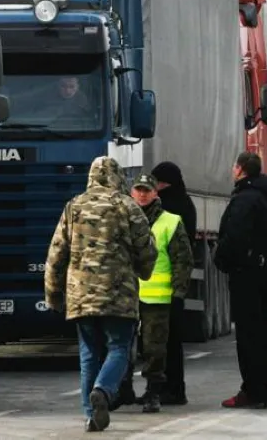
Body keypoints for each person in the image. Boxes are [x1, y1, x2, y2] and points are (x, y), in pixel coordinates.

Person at [44, 156, 157, 432]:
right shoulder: (127, 206)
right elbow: (147, 249)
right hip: (119, 293)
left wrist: (53, 294)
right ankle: (104, 391)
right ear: (119, 177)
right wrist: (143, 271)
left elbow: (56, 254)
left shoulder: (74, 207)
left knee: (88, 353)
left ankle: (91, 415)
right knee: (119, 347)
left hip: (80, 295)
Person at [214, 151, 267, 409]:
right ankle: (264, 388)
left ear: (241, 170)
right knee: (260, 332)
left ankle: (253, 391)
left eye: (234, 166)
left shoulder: (245, 199)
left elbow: (235, 236)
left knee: (247, 335)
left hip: (246, 273)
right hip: (264, 270)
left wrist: (221, 259)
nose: (232, 170)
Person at [120, 173, 193, 413]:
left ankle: (153, 392)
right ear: (132, 193)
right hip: (127, 296)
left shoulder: (170, 222)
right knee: (123, 346)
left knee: (154, 349)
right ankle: (124, 389)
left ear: (155, 193)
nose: (142, 194)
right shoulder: (122, 220)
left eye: (147, 190)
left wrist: (178, 293)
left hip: (157, 298)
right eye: (138, 190)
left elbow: (183, 260)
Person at [150, 161, 198, 404]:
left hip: (162, 284)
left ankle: (170, 389)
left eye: (156, 182)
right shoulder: (186, 204)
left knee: (163, 341)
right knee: (172, 340)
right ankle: (174, 388)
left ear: (164, 183)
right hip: (175, 283)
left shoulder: (167, 208)